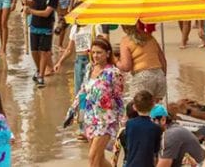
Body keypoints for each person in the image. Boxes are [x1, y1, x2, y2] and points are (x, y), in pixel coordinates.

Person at [65, 37, 124, 167]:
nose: (95, 56)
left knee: (93, 158)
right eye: (93, 52)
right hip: (90, 118)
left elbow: (119, 98)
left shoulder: (114, 73)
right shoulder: (89, 68)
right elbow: (83, 91)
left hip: (106, 120)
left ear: (108, 54)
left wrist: (122, 121)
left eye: (99, 52)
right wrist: (72, 110)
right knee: (99, 159)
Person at [117, 23, 167, 102]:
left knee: (139, 108)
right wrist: (163, 76)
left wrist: (115, 61)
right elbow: (163, 61)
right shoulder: (149, 36)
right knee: (156, 108)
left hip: (143, 76)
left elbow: (126, 67)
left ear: (123, 27)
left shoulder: (125, 41)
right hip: (159, 74)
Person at [25, 0, 59, 87]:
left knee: (44, 52)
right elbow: (32, 1)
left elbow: (46, 13)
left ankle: (41, 76)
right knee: (34, 51)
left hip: (46, 27)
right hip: (35, 25)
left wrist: (31, 11)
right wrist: (26, 1)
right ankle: (39, 70)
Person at [123, 90, 162, 167]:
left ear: (134, 107)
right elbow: (156, 149)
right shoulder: (156, 128)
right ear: (153, 106)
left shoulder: (129, 124)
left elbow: (127, 143)